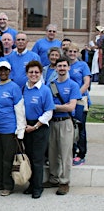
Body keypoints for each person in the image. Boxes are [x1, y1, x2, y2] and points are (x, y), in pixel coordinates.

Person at [43, 57, 81, 196]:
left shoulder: (73, 85)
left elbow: (71, 106)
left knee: (65, 153)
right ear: (56, 68)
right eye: (60, 66)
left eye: (65, 66)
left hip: (66, 122)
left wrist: (54, 107)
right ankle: (53, 178)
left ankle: (64, 182)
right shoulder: (50, 85)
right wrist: (60, 107)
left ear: (69, 68)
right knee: (52, 153)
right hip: (52, 122)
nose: (62, 68)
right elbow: (46, 105)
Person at [0, 61, 26, 196]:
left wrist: (20, 131)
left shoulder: (14, 87)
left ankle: (8, 186)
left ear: (9, 71)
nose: (3, 73)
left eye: (5, 70)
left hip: (9, 130)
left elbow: (20, 110)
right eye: (0, 70)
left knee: (7, 159)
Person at [22, 60, 55, 199]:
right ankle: (31, 184)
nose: (33, 74)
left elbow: (49, 112)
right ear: (27, 74)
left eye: (36, 72)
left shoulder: (45, 90)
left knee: (37, 159)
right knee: (28, 157)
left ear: (41, 73)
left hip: (39, 127)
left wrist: (35, 126)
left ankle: (37, 187)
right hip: (26, 127)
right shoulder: (24, 88)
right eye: (31, 72)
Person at [66, 43, 91, 166]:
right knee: (70, 128)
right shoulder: (64, 65)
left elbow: (86, 83)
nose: (72, 54)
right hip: (68, 101)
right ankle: (71, 151)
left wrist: (75, 96)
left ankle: (81, 154)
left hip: (80, 100)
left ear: (78, 53)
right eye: (70, 51)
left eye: (74, 51)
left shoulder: (82, 65)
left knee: (80, 128)